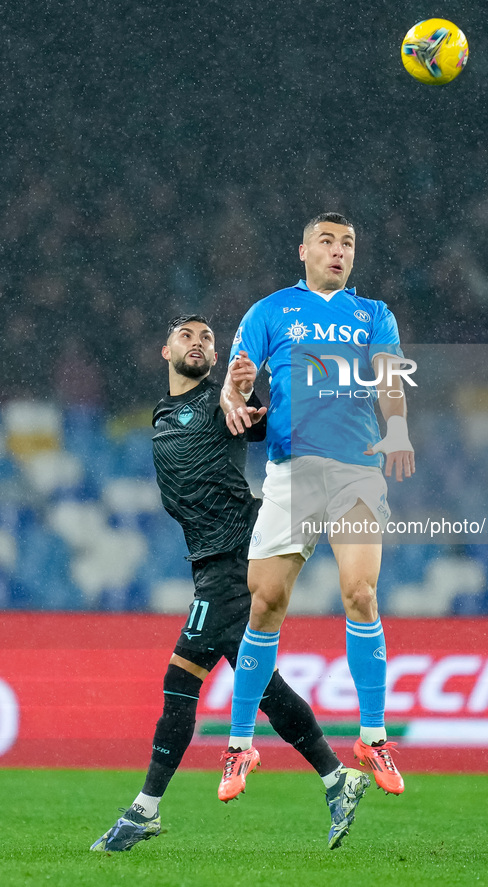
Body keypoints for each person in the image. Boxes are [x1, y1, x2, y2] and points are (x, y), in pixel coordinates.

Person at [90, 314, 370, 853]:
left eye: (207, 339)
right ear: (164, 349)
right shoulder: (164, 412)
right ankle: (338, 779)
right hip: (209, 562)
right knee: (257, 683)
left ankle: (142, 812)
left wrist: (262, 394)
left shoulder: (224, 403)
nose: (198, 343)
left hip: (235, 556)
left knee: (181, 684)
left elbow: (263, 422)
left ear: (217, 359)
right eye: (187, 336)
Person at [218, 213, 415, 801]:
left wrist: (398, 427)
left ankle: (373, 736)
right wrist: (237, 399)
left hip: (356, 468)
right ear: (302, 249)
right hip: (291, 471)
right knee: (266, 601)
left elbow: (389, 379)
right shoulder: (269, 311)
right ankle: (239, 745)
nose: (338, 252)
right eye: (327, 242)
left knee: (361, 592)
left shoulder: (373, 314)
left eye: (348, 244)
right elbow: (237, 381)